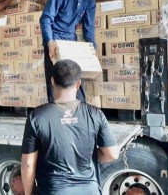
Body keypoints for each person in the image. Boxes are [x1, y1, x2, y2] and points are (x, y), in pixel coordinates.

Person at [21, 59, 119, 195]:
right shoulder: (95, 114)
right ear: (78, 84)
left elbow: (28, 164)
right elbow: (112, 154)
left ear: (52, 81)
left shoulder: (37, 117)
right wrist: (86, 158)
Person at [40, 0, 102, 103]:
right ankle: (56, 112)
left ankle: (79, 110)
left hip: (71, 42)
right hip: (54, 40)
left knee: (76, 78)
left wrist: (93, 49)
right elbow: (46, 19)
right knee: (55, 80)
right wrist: (50, 42)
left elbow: (89, 27)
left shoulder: (89, 0)